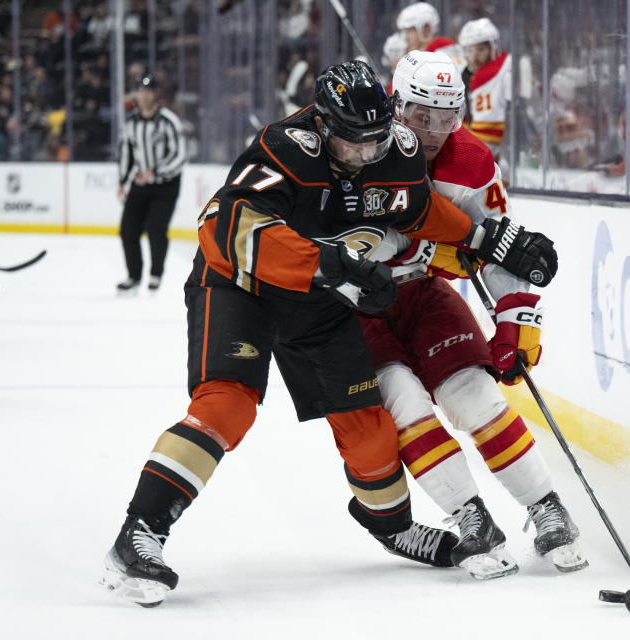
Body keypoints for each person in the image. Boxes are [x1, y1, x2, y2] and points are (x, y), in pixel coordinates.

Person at [100, 59, 558, 607]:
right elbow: (224, 224)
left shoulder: (397, 148)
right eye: (354, 143)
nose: (368, 154)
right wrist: (324, 263)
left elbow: (414, 206)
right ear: (323, 123)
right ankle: (139, 535)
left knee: (370, 431)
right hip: (239, 288)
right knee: (228, 406)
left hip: (319, 303)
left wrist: (489, 238)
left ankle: (390, 525)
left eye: (376, 139)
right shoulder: (284, 146)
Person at [356, 51, 585, 579]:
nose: (435, 132)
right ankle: (471, 518)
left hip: (424, 295)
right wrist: (425, 249)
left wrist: (516, 317)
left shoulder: (474, 163)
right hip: (358, 305)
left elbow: (502, 247)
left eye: (448, 116)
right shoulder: (357, 145)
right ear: (395, 105)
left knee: (474, 393)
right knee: (405, 403)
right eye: (420, 116)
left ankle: (547, 506)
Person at [115, 72, 186, 293]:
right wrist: (123, 181)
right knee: (128, 230)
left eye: (148, 91)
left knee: (156, 228)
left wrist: (155, 172)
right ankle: (134, 277)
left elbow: (179, 156)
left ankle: (155, 275)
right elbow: (126, 152)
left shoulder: (168, 121)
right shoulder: (132, 123)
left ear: (156, 94)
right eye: (141, 91)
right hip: (141, 183)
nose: (144, 96)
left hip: (166, 185)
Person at [458, 18, 511, 160]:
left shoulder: (506, 71)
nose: (474, 58)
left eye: (480, 49)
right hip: (479, 152)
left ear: (493, 48)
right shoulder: (463, 76)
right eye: (469, 51)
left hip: (504, 151)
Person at [396, 2, 463, 66]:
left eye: (410, 31)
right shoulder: (413, 55)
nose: (406, 38)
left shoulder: (443, 49)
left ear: (426, 29)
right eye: (405, 32)